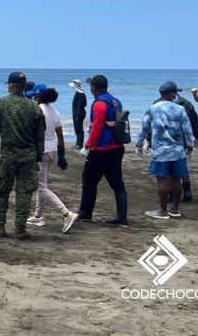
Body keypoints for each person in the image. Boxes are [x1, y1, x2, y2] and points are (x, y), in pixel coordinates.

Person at [0, 72, 45, 239]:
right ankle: (20, 228)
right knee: (24, 192)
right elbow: (39, 136)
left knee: (2, 190)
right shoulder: (34, 108)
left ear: (11, 86)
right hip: (28, 156)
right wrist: (39, 158)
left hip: (7, 155)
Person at [25, 84, 79, 233]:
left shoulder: (36, 110)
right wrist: (62, 156)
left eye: (34, 96)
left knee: (41, 187)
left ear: (37, 96)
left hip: (41, 151)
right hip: (53, 150)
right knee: (42, 183)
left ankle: (66, 213)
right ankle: (38, 216)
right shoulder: (55, 112)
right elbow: (60, 135)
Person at [136, 82, 194, 219]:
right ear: (172, 94)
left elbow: (144, 127)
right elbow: (187, 129)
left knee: (162, 180)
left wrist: (139, 143)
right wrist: (190, 146)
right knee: (176, 179)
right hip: (177, 150)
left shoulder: (153, 108)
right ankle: (175, 208)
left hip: (160, 150)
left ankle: (162, 209)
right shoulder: (180, 109)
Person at [77, 75, 128, 225]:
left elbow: (96, 127)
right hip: (117, 147)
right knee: (117, 182)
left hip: (101, 149)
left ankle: (85, 212)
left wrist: (87, 146)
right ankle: (122, 216)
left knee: (88, 181)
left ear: (94, 88)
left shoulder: (99, 104)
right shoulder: (116, 101)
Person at [69, 79, 87, 149]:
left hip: (79, 114)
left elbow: (81, 105)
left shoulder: (80, 94)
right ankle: (78, 143)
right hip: (77, 113)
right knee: (77, 128)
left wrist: (78, 115)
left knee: (79, 129)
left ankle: (80, 144)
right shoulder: (79, 93)